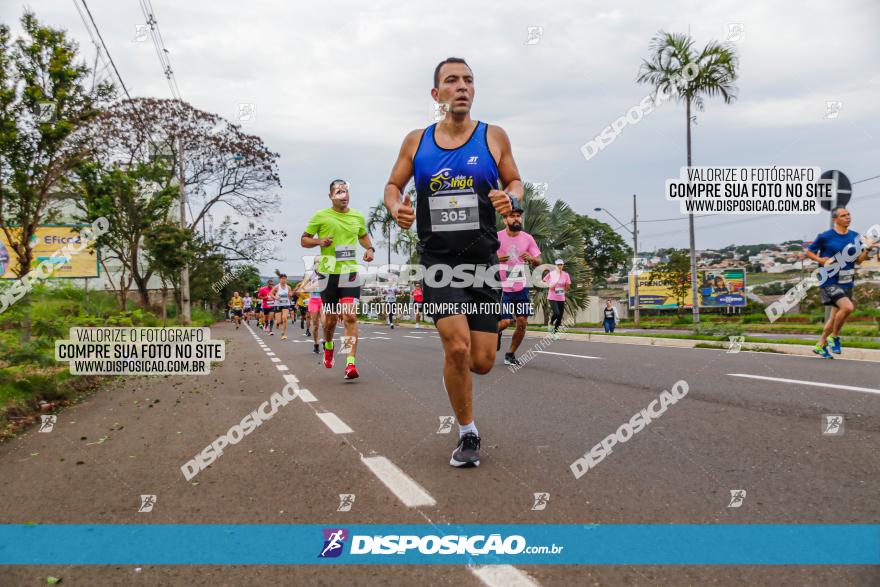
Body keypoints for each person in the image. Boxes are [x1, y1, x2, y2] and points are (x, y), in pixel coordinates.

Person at [384, 56, 524, 467]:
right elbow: (393, 185)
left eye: (468, 80)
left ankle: (470, 366)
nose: (462, 86)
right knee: (458, 348)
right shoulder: (416, 141)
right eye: (451, 80)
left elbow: (515, 180)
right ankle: (467, 433)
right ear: (436, 94)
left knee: (481, 361)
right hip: (439, 261)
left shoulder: (493, 136)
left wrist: (510, 198)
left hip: (482, 262)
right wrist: (396, 208)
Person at [302, 180, 375, 379]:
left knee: (350, 316)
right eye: (339, 192)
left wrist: (369, 248)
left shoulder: (357, 216)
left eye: (346, 191)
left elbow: (363, 235)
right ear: (331, 196)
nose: (343, 195)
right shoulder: (321, 216)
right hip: (327, 274)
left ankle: (350, 364)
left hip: (349, 272)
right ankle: (328, 345)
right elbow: (304, 239)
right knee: (331, 320)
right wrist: (319, 241)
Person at [805, 207, 878, 358]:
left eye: (849, 214)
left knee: (835, 317)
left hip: (846, 281)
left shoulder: (855, 237)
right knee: (848, 308)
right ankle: (834, 337)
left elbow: (858, 260)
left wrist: (867, 250)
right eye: (843, 215)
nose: (847, 217)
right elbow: (809, 251)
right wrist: (820, 260)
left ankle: (820, 345)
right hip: (829, 280)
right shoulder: (825, 236)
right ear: (835, 219)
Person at [496, 207, 541, 366]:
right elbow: (486, 257)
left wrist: (532, 259)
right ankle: (496, 333)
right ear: (505, 220)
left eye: (518, 216)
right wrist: (497, 259)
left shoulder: (528, 238)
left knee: (522, 322)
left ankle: (510, 354)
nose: (517, 219)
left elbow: (538, 261)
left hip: (522, 285)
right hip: (502, 286)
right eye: (512, 216)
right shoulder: (497, 238)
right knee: (505, 322)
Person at [543, 258, 571, 333]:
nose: (560, 266)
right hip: (552, 297)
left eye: (561, 265)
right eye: (558, 265)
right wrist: (550, 285)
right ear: (556, 266)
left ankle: (555, 332)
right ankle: (551, 322)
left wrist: (567, 286)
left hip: (561, 297)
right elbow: (544, 280)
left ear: (563, 266)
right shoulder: (552, 274)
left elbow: (568, 286)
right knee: (556, 313)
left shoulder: (566, 275)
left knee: (560, 316)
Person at [271, 273, 294, 340]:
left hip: (286, 304)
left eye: (284, 278)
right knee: (278, 321)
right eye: (282, 278)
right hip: (278, 304)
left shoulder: (288, 287)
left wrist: (290, 295)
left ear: (286, 279)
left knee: (284, 319)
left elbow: (290, 295)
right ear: (280, 279)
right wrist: (275, 297)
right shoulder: (276, 287)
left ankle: (283, 334)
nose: (283, 280)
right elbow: (271, 294)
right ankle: (277, 323)